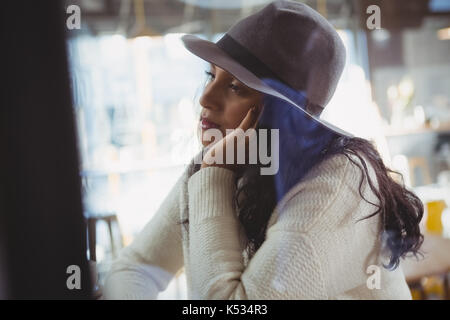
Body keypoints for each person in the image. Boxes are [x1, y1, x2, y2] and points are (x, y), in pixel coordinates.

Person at [103, 0, 423, 299]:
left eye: (235, 87)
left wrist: (214, 176)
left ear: (284, 114)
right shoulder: (223, 162)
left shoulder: (337, 186)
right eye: (210, 76)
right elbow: (136, 266)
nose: (205, 98)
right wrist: (213, 172)